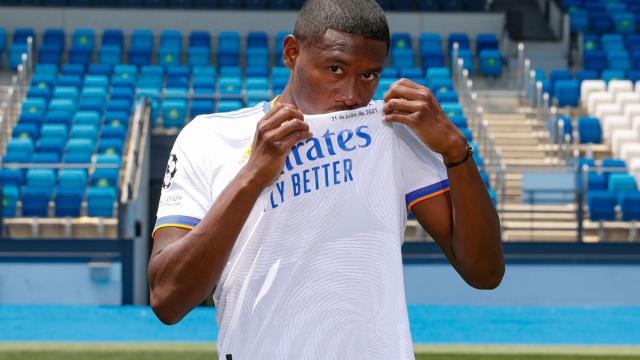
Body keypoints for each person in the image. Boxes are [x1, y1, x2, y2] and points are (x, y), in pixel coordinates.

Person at [148, 0, 504, 358]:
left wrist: (456, 150)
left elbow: (485, 273)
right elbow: (167, 299)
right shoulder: (211, 138)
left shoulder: (392, 134)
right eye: (335, 69)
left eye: (369, 76)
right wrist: (253, 176)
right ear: (292, 53)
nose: (351, 95)